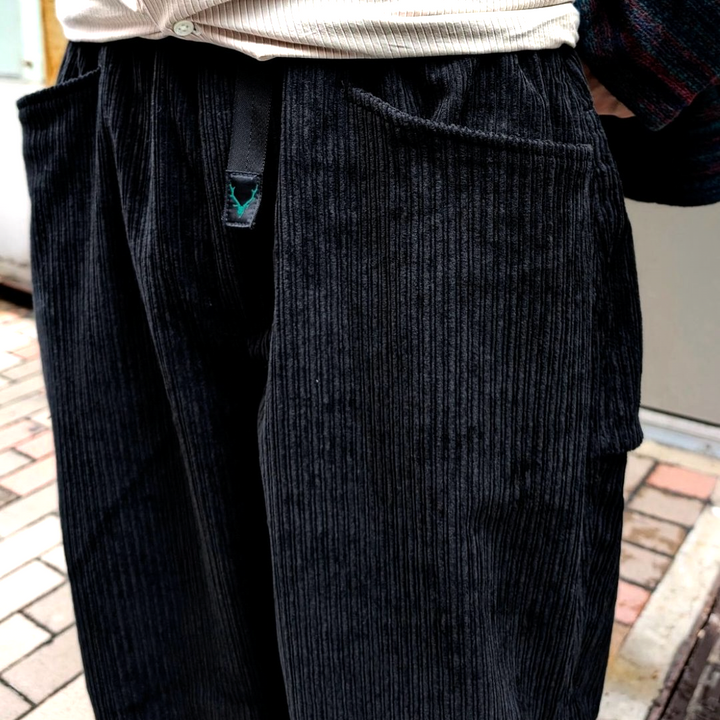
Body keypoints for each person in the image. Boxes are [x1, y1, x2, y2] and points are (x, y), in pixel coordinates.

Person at [15, 1, 718, 719]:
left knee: (436, 685)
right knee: (169, 658)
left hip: (435, 90)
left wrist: (643, 46)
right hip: (128, 94)